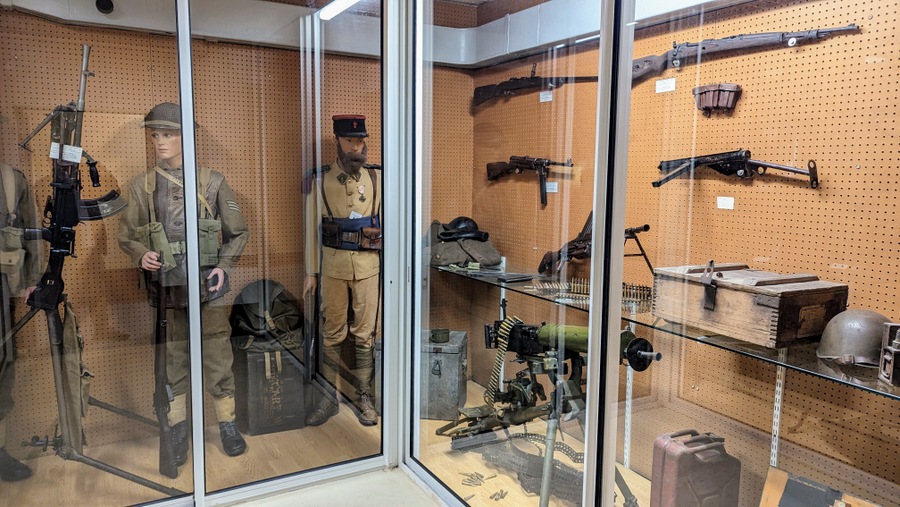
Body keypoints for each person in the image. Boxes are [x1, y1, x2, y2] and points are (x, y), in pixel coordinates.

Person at [117, 103, 249, 463]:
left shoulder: (212, 182)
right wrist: (141, 254)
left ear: (186, 137)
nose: (160, 142)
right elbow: (127, 235)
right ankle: (177, 429)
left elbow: (238, 232)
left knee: (217, 355)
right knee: (172, 359)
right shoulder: (142, 186)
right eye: (155, 135)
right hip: (166, 288)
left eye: (169, 134)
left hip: (208, 286)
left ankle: (227, 423)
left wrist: (224, 265)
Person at [303, 114, 381, 427]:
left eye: (360, 141)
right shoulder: (319, 181)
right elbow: (312, 229)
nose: (356, 147)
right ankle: (328, 397)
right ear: (337, 141)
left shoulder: (376, 178)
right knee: (332, 331)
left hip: (368, 267)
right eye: (350, 141)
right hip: (332, 266)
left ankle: (364, 396)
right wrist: (311, 272)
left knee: (366, 333)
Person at [0, 162, 41, 481]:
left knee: (3, 367)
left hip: (2, 290)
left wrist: (32, 279)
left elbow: (32, 231)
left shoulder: (11, 180)